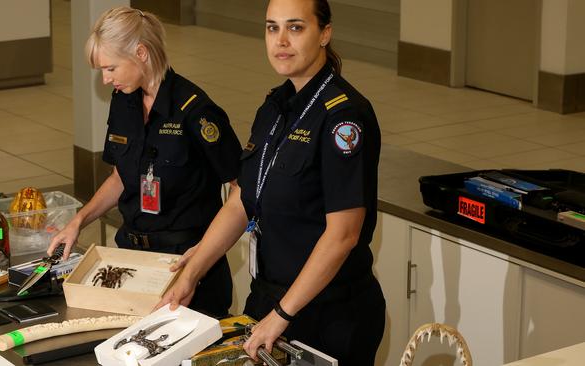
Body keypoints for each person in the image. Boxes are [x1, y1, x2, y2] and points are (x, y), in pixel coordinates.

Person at [157, 0, 385, 364]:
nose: (281, 40)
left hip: (327, 312)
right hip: (269, 297)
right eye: (271, 27)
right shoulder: (276, 106)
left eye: (295, 28)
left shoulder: (344, 118)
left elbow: (343, 235)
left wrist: (282, 315)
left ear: (324, 33)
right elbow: (241, 200)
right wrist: (193, 272)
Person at [47, 7, 241, 318]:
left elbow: (240, 188)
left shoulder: (196, 111)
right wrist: (77, 222)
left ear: (141, 53)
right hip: (133, 257)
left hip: (186, 264)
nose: (106, 79)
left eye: (110, 68)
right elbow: (120, 177)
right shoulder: (125, 100)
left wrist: (205, 253)